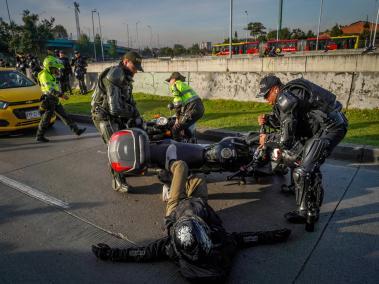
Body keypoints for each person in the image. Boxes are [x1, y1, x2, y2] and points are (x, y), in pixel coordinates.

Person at [92, 158, 291, 282]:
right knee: (198, 178)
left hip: (175, 208)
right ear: (206, 234)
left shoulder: (172, 248)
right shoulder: (220, 250)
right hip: (198, 203)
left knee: (181, 166)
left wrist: (110, 253)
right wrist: (274, 235)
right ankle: (180, 184)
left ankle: (166, 171)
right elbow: (246, 239)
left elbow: (140, 253)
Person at [257, 75, 348, 231]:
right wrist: (269, 120)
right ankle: (298, 189)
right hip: (322, 127)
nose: (266, 99)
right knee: (297, 156)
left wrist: (267, 139)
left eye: (267, 95)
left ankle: (306, 212)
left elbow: (286, 139)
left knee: (304, 170)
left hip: (330, 128)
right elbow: (289, 122)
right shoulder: (290, 95)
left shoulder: (285, 98)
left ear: (275, 89)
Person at [91, 51, 144, 193]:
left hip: (114, 116)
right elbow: (115, 108)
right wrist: (132, 113)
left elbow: (129, 101)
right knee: (115, 147)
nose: (136, 71)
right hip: (103, 116)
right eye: (134, 66)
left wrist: (138, 117)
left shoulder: (125, 77)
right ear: (126, 61)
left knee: (128, 142)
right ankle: (117, 181)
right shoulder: (115, 74)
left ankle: (125, 169)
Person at [35, 55, 86, 142]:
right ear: (49, 67)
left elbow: (55, 85)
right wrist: (61, 95)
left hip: (55, 99)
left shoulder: (50, 74)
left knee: (65, 116)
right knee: (46, 119)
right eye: (55, 68)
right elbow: (50, 90)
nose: (57, 70)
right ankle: (39, 136)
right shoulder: (44, 75)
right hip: (49, 100)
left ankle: (77, 131)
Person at [166, 72, 204, 141]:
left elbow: (178, 103)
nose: (169, 82)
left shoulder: (174, 85)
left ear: (174, 79)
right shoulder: (182, 84)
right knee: (183, 126)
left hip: (192, 108)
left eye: (170, 80)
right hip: (199, 107)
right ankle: (190, 141)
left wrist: (177, 119)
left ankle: (178, 147)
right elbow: (184, 102)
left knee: (175, 128)